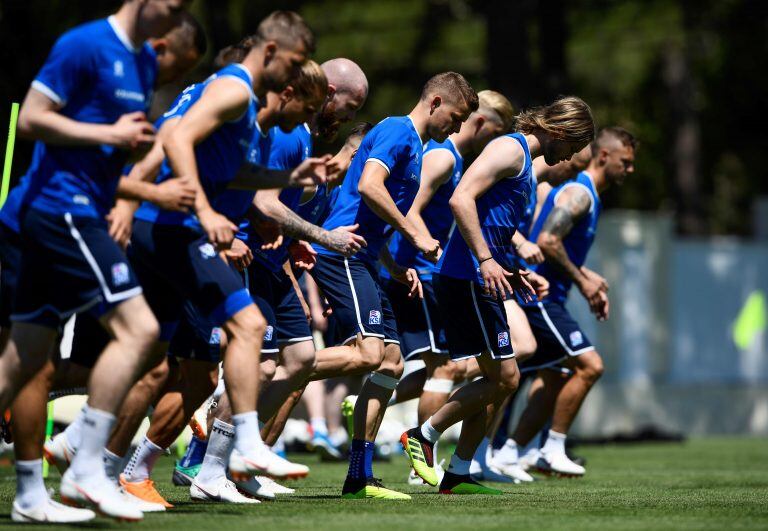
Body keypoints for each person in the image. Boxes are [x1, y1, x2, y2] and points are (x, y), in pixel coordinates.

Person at [0, 0, 190, 522]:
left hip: (80, 209)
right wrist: (112, 137)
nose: (175, 19)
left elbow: (109, 163)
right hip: (59, 209)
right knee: (141, 331)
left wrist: (135, 186)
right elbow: (34, 119)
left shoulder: (144, 63)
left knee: (23, 362)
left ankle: (31, 497)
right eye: (173, 7)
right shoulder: (83, 44)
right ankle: (85, 465)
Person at [401, 96, 595, 495]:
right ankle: (423, 434)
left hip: (487, 276)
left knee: (499, 378)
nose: (568, 158)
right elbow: (461, 199)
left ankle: (458, 471)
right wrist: (487, 260)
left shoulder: (524, 162)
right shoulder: (511, 148)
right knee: (506, 377)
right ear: (559, 131)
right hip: (467, 277)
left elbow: (495, 224)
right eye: (571, 148)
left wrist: (512, 270)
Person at [307, 72, 479, 500]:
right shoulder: (397, 130)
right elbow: (367, 187)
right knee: (369, 355)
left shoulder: (418, 148)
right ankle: (278, 370)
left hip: (366, 258)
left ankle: (358, 477)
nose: (457, 128)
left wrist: (393, 264)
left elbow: (375, 216)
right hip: (343, 252)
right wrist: (414, 234)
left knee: (391, 364)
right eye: (456, 117)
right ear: (436, 102)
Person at [380, 90, 515, 484]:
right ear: (483, 123)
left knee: (457, 367)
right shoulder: (443, 156)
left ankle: (431, 455)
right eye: (497, 132)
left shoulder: (456, 160)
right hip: (419, 273)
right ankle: (419, 467)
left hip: (428, 271)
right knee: (446, 366)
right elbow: (407, 209)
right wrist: (432, 253)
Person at [505, 127, 636, 477]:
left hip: (549, 296)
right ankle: (551, 447)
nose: (630, 169)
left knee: (555, 372)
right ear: (604, 157)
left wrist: (585, 275)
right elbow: (548, 240)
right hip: (540, 297)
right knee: (590, 366)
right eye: (626, 161)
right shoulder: (580, 193)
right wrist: (584, 282)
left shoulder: (586, 194)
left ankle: (512, 451)